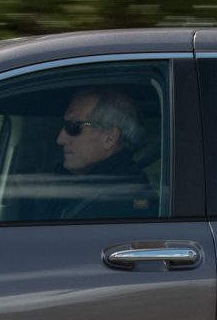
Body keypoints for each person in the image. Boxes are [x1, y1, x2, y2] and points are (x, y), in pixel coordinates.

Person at [48, 87, 155, 220]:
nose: (60, 139)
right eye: (63, 125)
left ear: (109, 137)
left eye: (73, 126)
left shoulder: (122, 202)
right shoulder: (73, 187)